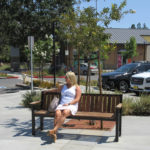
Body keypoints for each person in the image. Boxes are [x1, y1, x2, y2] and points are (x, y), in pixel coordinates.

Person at [47, 71, 81, 142]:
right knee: (57, 113)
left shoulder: (77, 87)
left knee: (65, 112)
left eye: (66, 77)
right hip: (62, 105)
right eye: (65, 77)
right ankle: (54, 134)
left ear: (71, 78)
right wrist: (47, 91)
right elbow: (56, 90)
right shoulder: (63, 86)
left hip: (71, 105)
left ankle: (54, 130)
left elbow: (77, 99)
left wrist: (69, 104)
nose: (65, 78)